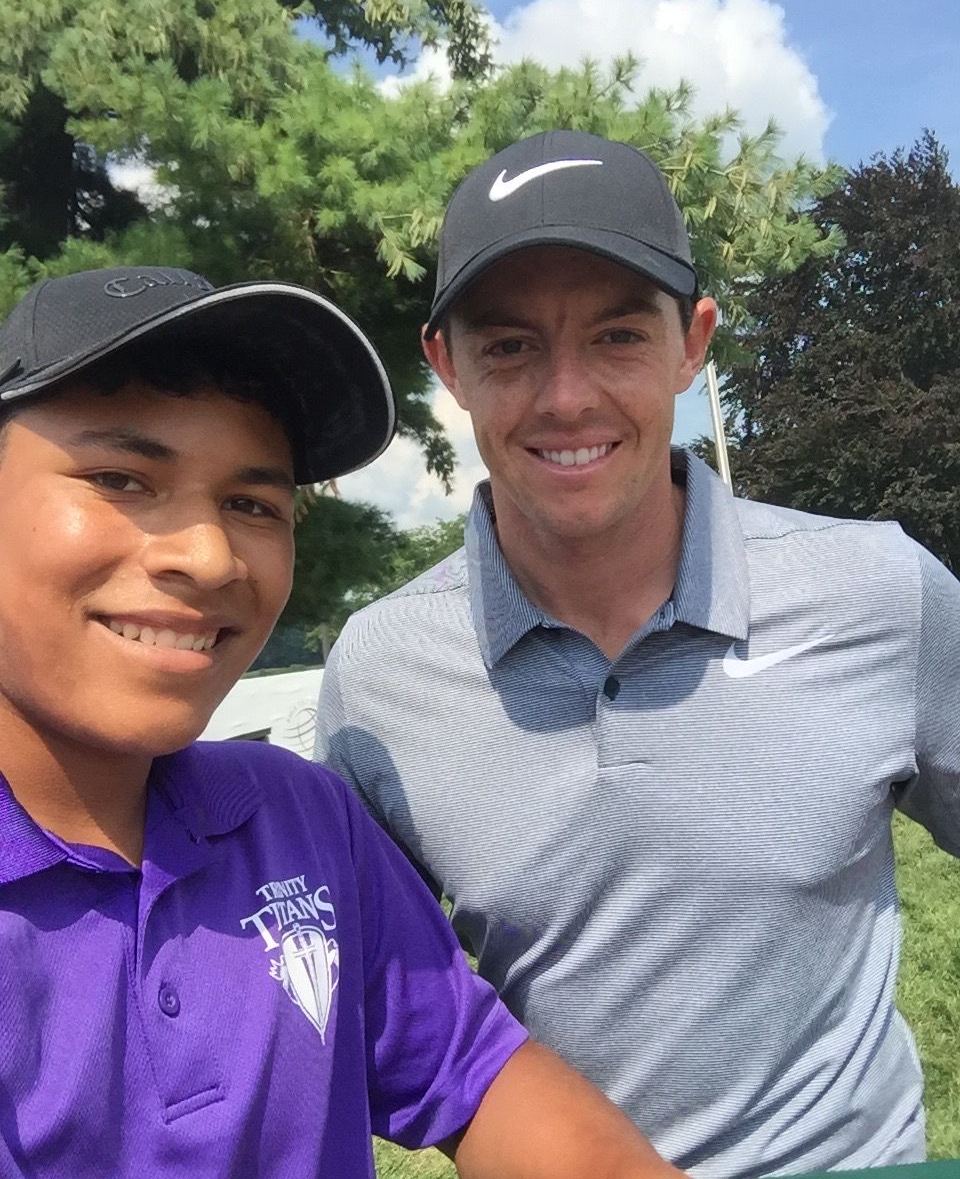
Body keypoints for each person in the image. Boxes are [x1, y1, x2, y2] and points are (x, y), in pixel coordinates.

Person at [315, 130, 960, 1176]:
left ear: (692, 341)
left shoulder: (879, 593)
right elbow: (378, 1014)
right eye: (511, 346)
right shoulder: (380, 673)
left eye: (618, 336)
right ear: (445, 363)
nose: (567, 396)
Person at [0, 265, 685, 1179]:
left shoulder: (299, 822)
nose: (208, 557)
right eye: (121, 478)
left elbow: (478, 1076)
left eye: (251, 505)